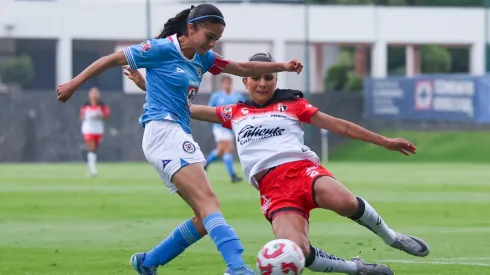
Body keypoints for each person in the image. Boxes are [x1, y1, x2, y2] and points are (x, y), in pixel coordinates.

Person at [124, 52, 431, 275]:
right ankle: (356, 269)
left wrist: (386, 141)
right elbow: (185, 106)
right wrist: (147, 86)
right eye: (256, 78)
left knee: (345, 201)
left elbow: (341, 126)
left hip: (302, 171)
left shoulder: (293, 104)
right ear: (245, 80)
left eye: (268, 77)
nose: (262, 83)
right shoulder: (233, 113)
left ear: (276, 79)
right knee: (297, 251)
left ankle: (392, 237)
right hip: (273, 189)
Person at [56, 4, 303, 275]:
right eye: (209, 36)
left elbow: (242, 67)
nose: (212, 43)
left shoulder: (204, 57)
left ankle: (147, 262)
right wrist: (73, 84)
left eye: (216, 39)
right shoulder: (160, 49)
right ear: (191, 28)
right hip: (163, 131)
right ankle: (236, 267)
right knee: (210, 203)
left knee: (203, 217)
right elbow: (112, 59)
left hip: (177, 133)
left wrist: (283, 66)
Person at [205, 75, 244, 183]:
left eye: (229, 83)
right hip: (219, 127)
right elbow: (209, 109)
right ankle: (233, 176)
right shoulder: (216, 96)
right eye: (225, 83)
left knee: (220, 152)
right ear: (222, 84)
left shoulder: (238, 96)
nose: (227, 85)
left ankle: (205, 163)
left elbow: (243, 110)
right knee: (228, 149)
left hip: (231, 128)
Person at [79, 87, 110, 177]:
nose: (94, 95)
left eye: (96, 93)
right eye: (93, 93)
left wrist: (99, 116)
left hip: (98, 129)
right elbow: (81, 116)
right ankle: (93, 170)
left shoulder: (102, 105)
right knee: (92, 148)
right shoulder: (86, 105)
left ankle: (90, 165)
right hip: (88, 129)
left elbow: (107, 115)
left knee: (94, 149)